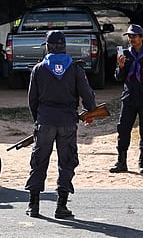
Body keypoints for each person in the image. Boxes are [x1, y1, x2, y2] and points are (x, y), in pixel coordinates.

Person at [25, 30, 96, 219]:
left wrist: (38, 120)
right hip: (67, 122)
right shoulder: (75, 69)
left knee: (39, 162)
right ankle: (61, 207)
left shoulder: (39, 69)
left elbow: (32, 100)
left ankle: (34, 205)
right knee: (66, 162)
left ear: (48, 47)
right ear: (64, 46)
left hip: (45, 122)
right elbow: (87, 96)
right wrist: (91, 112)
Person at [109, 24, 143, 174]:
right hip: (129, 98)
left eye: (135, 36)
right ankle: (121, 162)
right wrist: (120, 66)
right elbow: (118, 78)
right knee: (123, 129)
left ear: (142, 37)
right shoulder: (125, 54)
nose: (132, 39)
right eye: (130, 36)